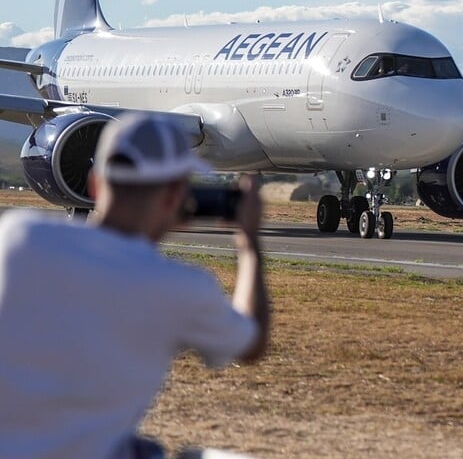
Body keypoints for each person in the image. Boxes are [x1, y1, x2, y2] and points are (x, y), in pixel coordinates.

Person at [0, 113, 270, 459]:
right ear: (175, 196)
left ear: (95, 184)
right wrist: (249, 245)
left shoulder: (18, 237)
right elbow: (251, 343)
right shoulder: (179, 286)